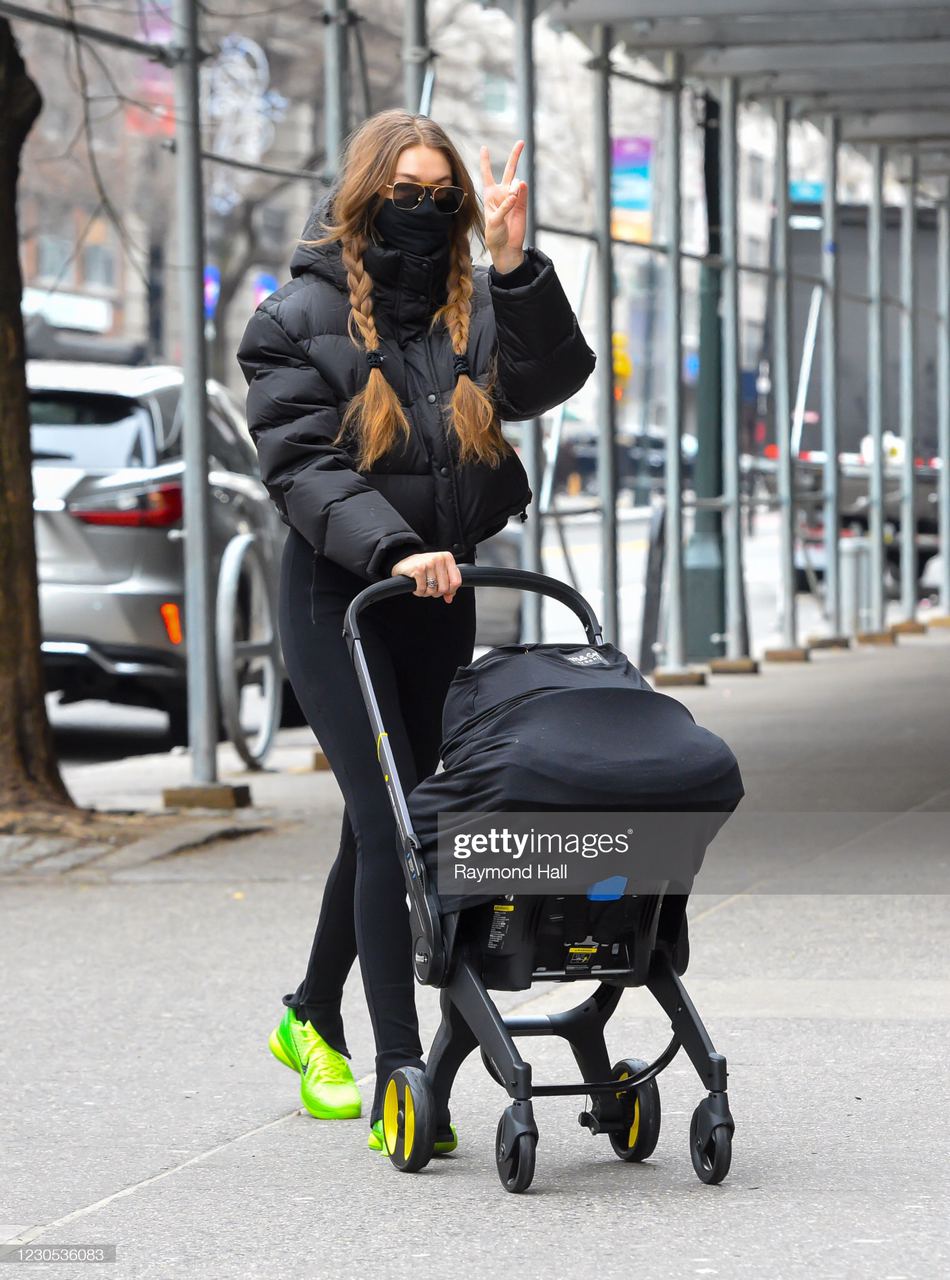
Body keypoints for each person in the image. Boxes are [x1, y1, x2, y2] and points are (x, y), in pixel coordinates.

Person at [235, 108, 596, 1154]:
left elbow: (547, 379)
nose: (426, 209)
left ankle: (307, 1011)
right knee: (392, 823)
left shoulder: (468, 308)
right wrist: (391, 547)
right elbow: (303, 466)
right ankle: (401, 1066)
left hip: (436, 598)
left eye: (445, 195)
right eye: (408, 191)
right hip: (337, 599)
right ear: (364, 194)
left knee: (384, 811)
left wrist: (517, 262)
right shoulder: (292, 317)